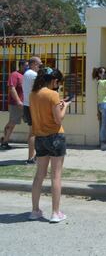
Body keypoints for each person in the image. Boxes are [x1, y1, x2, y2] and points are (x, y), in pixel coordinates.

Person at [29, 67, 71, 223]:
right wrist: (65, 106)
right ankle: (55, 212)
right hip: (55, 136)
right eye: (57, 82)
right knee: (56, 175)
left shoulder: (33, 94)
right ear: (54, 80)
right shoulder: (53, 94)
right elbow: (58, 119)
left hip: (39, 137)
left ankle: (35, 210)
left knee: (39, 175)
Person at [1, 59, 28, 150]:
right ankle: (5, 142)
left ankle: (4, 139)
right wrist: (18, 101)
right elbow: (12, 89)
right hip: (16, 104)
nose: (27, 67)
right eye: (25, 65)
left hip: (26, 104)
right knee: (12, 123)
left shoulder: (26, 75)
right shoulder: (14, 75)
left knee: (32, 122)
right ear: (20, 66)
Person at [22, 56, 42, 164]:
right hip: (32, 106)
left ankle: (33, 156)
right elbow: (40, 89)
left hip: (28, 105)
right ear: (33, 64)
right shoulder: (33, 75)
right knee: (33, 133)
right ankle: (31, 158)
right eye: (39, 64)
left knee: (33, 132)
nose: (40, 66)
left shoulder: (26, 74)